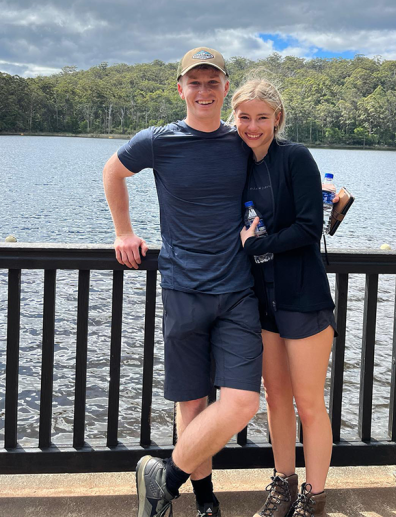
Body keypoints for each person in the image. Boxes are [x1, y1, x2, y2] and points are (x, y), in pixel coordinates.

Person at [103, 47, 260, 517]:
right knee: (191, 399)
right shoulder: (158, 141)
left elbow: (276, 182)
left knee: (242, 401)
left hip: (237, 288)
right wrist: (123, 231)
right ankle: (204, 497)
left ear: (225, 89)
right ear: (180, 89)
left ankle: (163, 480)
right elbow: (113, 172)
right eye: (195, 82)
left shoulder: (242, 143)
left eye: (213, 82)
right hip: (182, 286)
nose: (204, 91)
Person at [231, 78, 336, 517]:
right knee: (275, 398)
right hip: (263, 300)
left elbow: (310, 227)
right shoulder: (237, 162)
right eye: (244, 117)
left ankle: (313, 496)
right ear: (233, 118)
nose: (252, 126)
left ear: (278, 118)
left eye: (261, 117)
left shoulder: (296, 157)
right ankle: (284, 486)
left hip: (303, 296)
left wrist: (255, 245)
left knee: (308, 403)